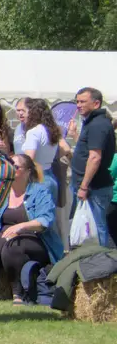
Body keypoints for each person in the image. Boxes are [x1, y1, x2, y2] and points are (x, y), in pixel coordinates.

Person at [0, 152, 63, 304]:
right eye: (8, 166)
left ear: (27, 171)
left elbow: (45, 220)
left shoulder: (40, 191)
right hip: (3, 232)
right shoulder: (2, 191)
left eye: (15, 167)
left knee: (13, 247)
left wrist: (21, 227)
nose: (10, 169)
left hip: (34, 237)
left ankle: (18, 294)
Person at [69, 87, 115, 244]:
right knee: (90, 228)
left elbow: (95, 157)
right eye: (77, 101)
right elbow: (87, 151)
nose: (78, 105)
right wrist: (75, 135)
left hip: (93, 188)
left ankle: (101, 262)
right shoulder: (93, 123)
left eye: (83, 101)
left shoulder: (98, 125)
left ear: (96, 104)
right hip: (88, 186)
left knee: (96, 227)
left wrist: (84, 186)